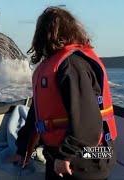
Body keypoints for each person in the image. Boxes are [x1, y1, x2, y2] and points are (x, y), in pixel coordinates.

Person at [9, 7, 118, 180]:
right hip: (62, 153)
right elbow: (38, 113)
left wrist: (65, 156)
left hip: (89, 155)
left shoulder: (72, 66)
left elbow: (88, 122)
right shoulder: (54, 65)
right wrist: (23, 149)